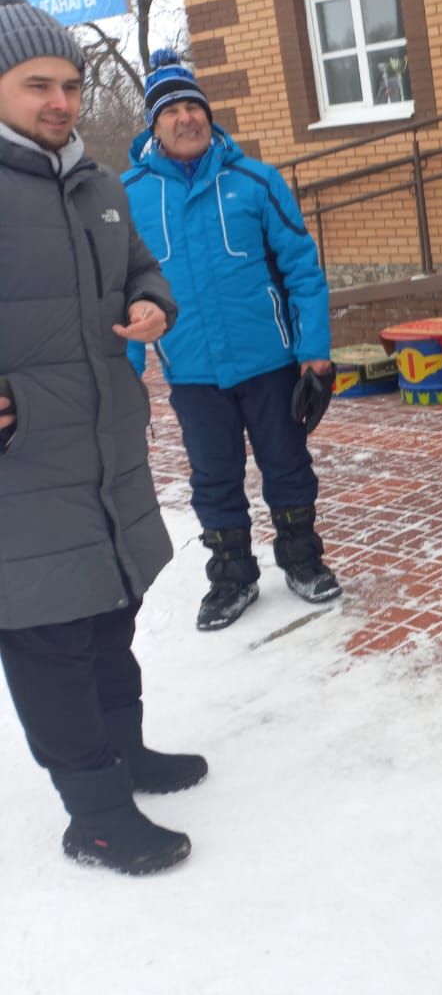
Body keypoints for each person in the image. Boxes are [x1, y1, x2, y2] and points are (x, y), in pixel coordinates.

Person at [0, 0, 205, 875]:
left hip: (105, 452)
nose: (60, 100)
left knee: (110, 614)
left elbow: (140, 269)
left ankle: (127, 759)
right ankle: (94, 815)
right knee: (49, 636)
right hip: (21, 469)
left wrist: (152, 303)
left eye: (71, 84)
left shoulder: (97, 180)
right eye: (36, 83)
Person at [122, 51, 340, 631]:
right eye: (172, 110)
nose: (186, 118)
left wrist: (314, 353)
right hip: (192, 370)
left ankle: (302, 560)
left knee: (287, 465)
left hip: (269, 362)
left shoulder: (255, 181)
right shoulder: (129, 197)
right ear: (154, 124)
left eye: (194, 106)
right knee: (213, 478)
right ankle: (232, 576)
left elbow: (301, 268)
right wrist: (126, 372)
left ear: (210, 117)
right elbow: (119, 293)